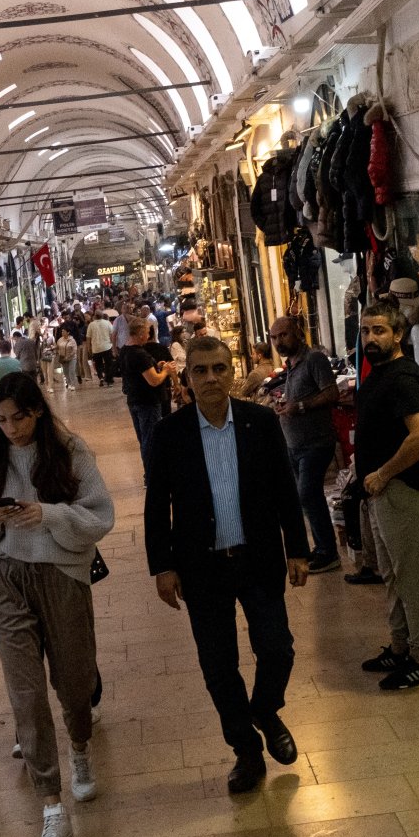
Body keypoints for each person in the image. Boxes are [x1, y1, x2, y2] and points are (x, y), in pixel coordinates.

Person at [0, 373, 114, 837]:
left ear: (38, 411)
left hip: (62, 575)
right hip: (7, 581)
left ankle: (81, 749)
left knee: (73, 678)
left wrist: (47, 514)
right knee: (24, 692)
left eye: (18, 417)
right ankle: (51, 806)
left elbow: (100, 517)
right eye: (1, 420)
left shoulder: (70, 450)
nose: (10, 428)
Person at [144, 337, 309, 794]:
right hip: (202, 567)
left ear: (233, 371)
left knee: (277, 648)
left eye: (220, 368)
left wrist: (298, 548)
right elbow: (157, 505)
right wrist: (162, 566)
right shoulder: (170, 434)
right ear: (187, 378)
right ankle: (246, 750)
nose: (212, 378)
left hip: (257, 558)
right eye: (201, 370)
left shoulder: (259, 423)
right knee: (219, 665)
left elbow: (284, 489)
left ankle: (265, 708)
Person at [354, 303, 419, 690]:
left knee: (411, 576)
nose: (371, 338)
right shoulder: (381, 373)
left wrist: (384, 473)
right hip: (381, 491)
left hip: (400, 489)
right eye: (366, 330)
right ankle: (401, 646)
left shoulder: (403, 376)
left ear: (398, 334)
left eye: (379, 331)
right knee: (391, 574)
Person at [269, 316, 342, 575]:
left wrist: (300, 406)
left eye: (284, 335)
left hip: (316, 442)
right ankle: (322, 547)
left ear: (297, 332)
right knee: (307, 499)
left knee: (308, 494)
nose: (279, 341)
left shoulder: (314, 360)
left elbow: (332, 393)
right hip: (294, 445)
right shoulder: (290, 365)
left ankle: (328, 552)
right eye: (274, 337)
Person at [119, 320, 175, 479]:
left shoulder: (125, 351)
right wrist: (165, 370)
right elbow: (154, 381)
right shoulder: (140, 354)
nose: (148, 335)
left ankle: (151, 473)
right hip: (148, 402)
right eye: (146, 332)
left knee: (144, 438)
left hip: (134, 400)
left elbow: (139, 373)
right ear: (140, 333)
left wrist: (155, 366)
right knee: (150, 440)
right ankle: (152, 475)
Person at [86, 309, 116, 386]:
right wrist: (113, 345)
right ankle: (109, 381)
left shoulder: (91, 325)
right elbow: (112, 334)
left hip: (96, 348)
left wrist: (89, 348)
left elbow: (88, 338)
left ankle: (101, 378)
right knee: (108, 364)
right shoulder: (107, 323)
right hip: (107, 347)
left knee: (98, 364)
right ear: (102, 316)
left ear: (95, 316)